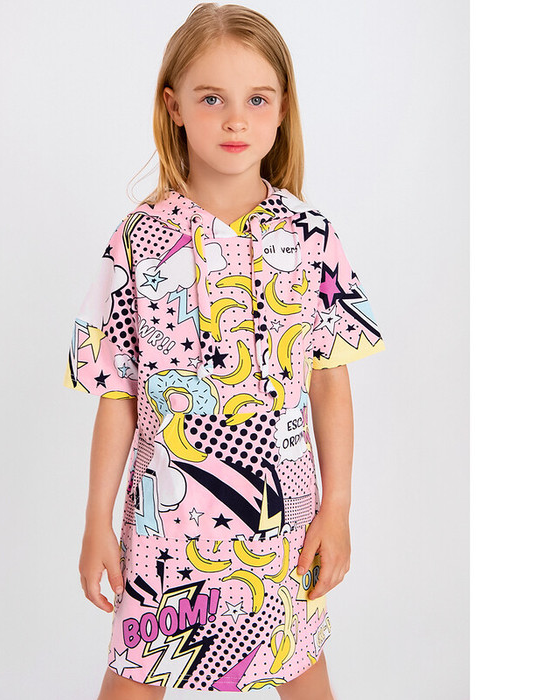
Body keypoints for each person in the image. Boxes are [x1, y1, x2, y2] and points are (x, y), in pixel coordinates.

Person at [63, 3, 385, 697]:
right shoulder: (136, 242)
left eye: (256, 99)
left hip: (282, 526)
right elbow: (118, 394)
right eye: (212, 98)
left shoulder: (311, 237)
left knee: (302, 674)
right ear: (174, 107)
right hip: (164, 534)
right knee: (132, 679)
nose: (236, 120)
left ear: (281, 109)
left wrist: (337, 508)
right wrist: (96, 520)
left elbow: (330, 383)